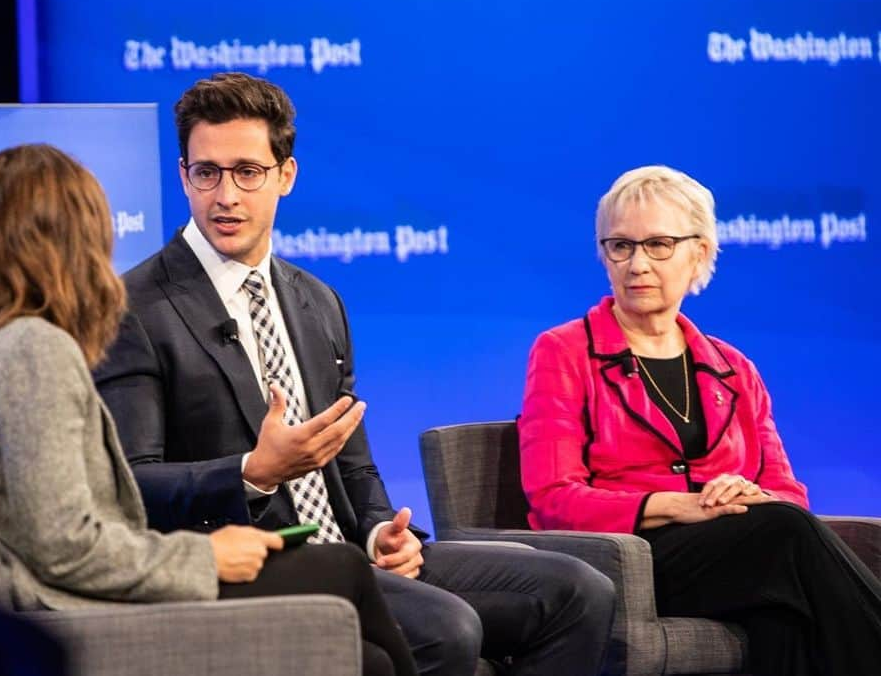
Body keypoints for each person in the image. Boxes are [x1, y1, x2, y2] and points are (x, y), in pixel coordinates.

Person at [93, 73, 616, 676]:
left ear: (286, 175)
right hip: (251, 562)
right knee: (448, 628)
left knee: (582, 591)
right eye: (206, 173)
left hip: (350, 552)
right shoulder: (135, 307)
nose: (225, 195)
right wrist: (250, 474)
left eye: (247, 172)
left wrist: (379, 536)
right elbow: (132, 485)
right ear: (184, 176)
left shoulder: (318, 301)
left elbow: (354, 464)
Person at [0, 143, 417, 676]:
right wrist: (208, 557)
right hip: (63, 620)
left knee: (368, 656)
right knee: (342, 569)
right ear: (76, 242)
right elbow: (64, 546)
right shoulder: (34, 350)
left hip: (14, 613)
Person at [517, 164, 881, 676]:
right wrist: (678, 506)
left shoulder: (732, 367)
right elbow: (553, 497)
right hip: (631, 559)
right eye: (620, 246)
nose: (637, 263)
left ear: (700, 254)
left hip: (747, 555)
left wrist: (748, 495)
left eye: (659, 244)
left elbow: (787, 494)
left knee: (785, 612)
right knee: (784, 536)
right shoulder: (564, 351)